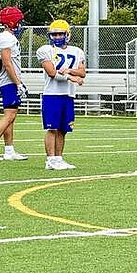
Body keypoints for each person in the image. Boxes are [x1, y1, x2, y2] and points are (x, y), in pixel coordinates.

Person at [36, 19, 86, 170]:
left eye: (60, 34)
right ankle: (50, 159)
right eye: (54, 34)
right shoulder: (45, 50)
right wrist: (71, 77)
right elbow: (51, 72)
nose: (57, 37)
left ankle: (58, 158)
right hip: (52, 94)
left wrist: (69, 71)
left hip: (68, 95)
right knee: (52, 128)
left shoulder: (77, 51)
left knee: (63, 129)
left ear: (67, 34)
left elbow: (82, 72)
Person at [0, 6, 29, 162]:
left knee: (11, 116)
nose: (20, 24)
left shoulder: (9, 38)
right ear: (12, 22)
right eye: (18, 21)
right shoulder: (5, 38)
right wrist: (18, 83)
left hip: (9, 80)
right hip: (8, 81)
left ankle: (9, 150)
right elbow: (7, 63)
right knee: (9, 115)